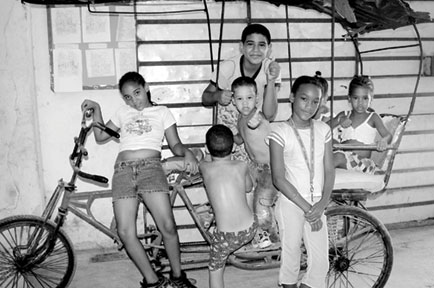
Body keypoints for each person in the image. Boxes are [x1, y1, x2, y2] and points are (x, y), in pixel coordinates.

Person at [81, 71, 198, 288]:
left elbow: (175, 145)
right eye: (127, 97)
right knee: (125, 232)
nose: (134, 100)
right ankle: (153, 281)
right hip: (123, 171)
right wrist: (97, 109)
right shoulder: (123, 113)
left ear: (146, 88)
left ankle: (177, 277)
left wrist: (188, 153)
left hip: (151, 169)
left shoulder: (162, 112)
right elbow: (100, 136)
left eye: (137, 93)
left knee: (168, 226)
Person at [267, 75, 335, 288]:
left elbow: (329, 170)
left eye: (316, 101)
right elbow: (278, 178)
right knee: (291, 258)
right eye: (304, 99)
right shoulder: (280, 132)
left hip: (317, 205)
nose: (310, 106)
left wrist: (322, 204)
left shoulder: (323, 130)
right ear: (292, 97)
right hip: (291, 204)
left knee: (321, 263)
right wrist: (307, 208)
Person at [201, 23, 281, 161]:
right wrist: (217, 95)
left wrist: (272, 80)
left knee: (256, 169)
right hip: (228, 129)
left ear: (269, 48)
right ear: (241, 46)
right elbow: (205, 98)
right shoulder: (228, 67)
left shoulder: (272, 69)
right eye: (250, 44)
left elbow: (269, 115)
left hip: (253, 126)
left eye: (262, 45)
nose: (256, 50)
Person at [199, 124, 257, 288]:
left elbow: (201, 161)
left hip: (226, 236)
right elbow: (248, 187)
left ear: (207, 148)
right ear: (232, 148)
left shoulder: (205, 168)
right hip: (249, 228)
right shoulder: (241, 165)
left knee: (215, 269)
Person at [231, 76, 278, 246]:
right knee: (245, 196)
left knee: (261, 204)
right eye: (240, 99)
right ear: (233, 100)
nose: (245, 103)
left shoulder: (258, 116)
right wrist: (230, 138)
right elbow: (241, 137)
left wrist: (255, 124)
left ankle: (268, 236)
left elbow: (261, 120)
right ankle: (258, 232)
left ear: (256, 99)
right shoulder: (240, 118)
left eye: (249, 98)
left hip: (270, 168)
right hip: (254, 167)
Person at [330, 75, 392, 174]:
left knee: (337, 156)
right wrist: (338, 120)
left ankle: (315, 181)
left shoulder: (373, 117)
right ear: (349, 98)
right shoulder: (344, 115)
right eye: (355, 98)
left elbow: (388, 135)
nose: (360, 103)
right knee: (329, 150)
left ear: (371, 99)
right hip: (344, 158)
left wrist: (383, 141)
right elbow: (323, 128)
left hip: (362, 163)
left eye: (365, 98)